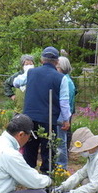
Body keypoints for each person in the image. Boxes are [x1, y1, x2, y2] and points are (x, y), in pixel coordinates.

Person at [13, 46, 71, 175]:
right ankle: (46, 178)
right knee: (48, 151)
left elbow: (16, 83)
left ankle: (28, 178)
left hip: (29, 119)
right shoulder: (61, 78)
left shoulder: (31, 73)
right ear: (57, 62)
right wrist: (66, 119)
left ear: (41, 60)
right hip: (48, 120)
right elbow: (64, 102)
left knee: (30, 149)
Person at [55, 56, 77, 170]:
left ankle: (61, 167)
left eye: (57, 66)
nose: (55, 68)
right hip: (63, 115)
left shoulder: (66, 81)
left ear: (62, 67)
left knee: (60, 142)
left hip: (62, 116)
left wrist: (65, 118)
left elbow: (66, 102)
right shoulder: (66, 79)